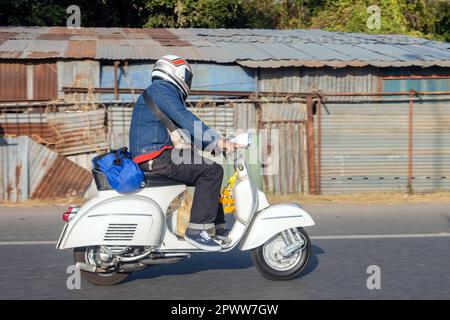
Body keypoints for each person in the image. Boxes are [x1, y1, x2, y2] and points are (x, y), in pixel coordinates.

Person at [129, 55, 237, 251]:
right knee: (211, 172)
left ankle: (215, 228)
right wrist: (216, 140)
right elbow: (184, 118)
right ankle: (197, 231)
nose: (188, 82)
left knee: (209, 168)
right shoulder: (162, 90)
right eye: (187, 77)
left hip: (154, 155)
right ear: (176, 72)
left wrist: (215, 146)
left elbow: (185, 130)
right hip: (155, 156)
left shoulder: (159, 92)